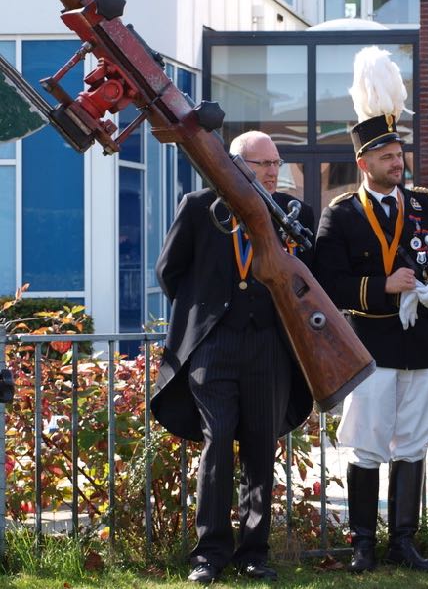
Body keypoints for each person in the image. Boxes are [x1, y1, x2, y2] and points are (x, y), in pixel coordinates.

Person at [311, 46, 428, 573]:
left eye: (399, 155)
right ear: (363, 162)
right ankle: (363, 545)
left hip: (419, 344)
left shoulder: (426, 205)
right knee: (366, 446)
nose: (398, 163)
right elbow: (327, 283)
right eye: (386, 157)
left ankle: (404, 541)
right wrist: (382, 286)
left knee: (413, 445)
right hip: (368, 347)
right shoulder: (342, 215)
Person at [152, 130, 315, 584]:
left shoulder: (294, 214)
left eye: (276, 162)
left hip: (270, 347)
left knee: (262, 446)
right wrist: (204, 312)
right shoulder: (200, 206)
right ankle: (210, 553)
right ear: (237, 165)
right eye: (262, 163)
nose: (272, 170)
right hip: (214, 345)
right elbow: (170, 271)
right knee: (218, 440)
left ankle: (254, 553)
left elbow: (308, 277)